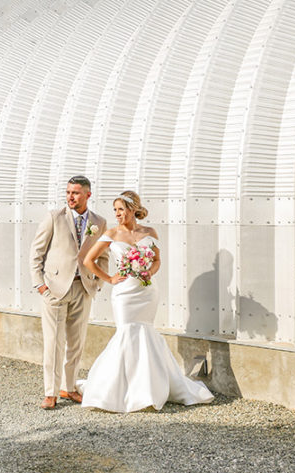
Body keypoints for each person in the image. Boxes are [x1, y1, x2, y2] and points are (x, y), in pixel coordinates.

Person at [80, 190, 214, 412]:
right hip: (124, 292)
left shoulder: (150, 232)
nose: (117, 214)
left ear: (132, 210)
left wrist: (150, 271)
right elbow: (88, 260)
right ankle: (116, 390)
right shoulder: (111, 234)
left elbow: (158, 260)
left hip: (146, 290)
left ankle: (150, 388)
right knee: (126, 333)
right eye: (115, 210)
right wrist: (110, 278)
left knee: (146, 332)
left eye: (121, 209)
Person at [30, 176, 108, 410]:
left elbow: (102, 255)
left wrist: (96, 284)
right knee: (54, 342)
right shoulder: (54, 217)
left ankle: (69, 387)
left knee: (76, 342)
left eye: (75, 193)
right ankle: (50, 392)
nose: (70, 197)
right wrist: (40, 285)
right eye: (67, 192)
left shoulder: (99, 222)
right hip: (54, 288)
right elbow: (36, 253)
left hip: (82, 288)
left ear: (88, 195)